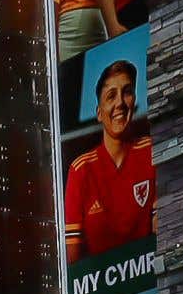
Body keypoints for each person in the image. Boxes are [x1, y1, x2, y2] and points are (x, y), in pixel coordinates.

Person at [65, 62, 154, 263]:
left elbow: (162, 233)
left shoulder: (150, 152)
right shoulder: (80, 170)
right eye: (111, 96)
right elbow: (71, 262)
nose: (120, 103)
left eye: (127, 92)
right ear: (98, 113)